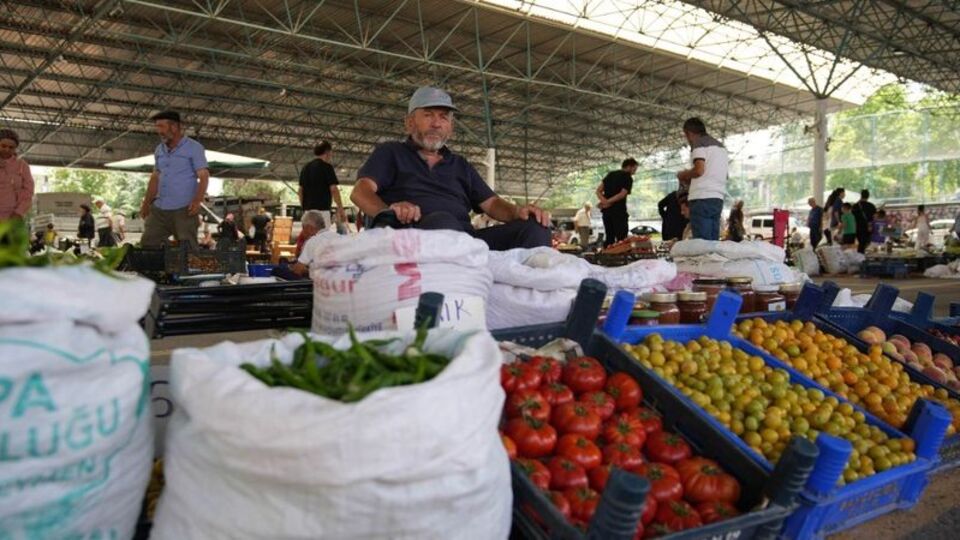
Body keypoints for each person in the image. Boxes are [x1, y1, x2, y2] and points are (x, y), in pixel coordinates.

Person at [350, 86, 550, 250]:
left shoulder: (460, 165)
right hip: (415, 237)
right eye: (428, 115)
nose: (436, 123)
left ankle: (538, 294)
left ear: (450, 128)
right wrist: (389, 212)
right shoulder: (391, 153)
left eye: (443, 117)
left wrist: (518, 212)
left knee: (535, 228)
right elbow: (360, 192)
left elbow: (493, 205)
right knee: (442, 222)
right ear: (409, 123)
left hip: (465, 240)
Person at [140, 111, 209, 248]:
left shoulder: (194, 148)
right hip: (159, 209)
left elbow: (204, 176)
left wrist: (197, 200)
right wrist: (146, 203)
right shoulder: (159, 150)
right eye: (157, 127)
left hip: (184, 209)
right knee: (148, 243)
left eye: (161, 126)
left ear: (174, 127)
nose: (159, 131)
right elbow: (155, 177)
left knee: (187, 248)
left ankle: (189, 268)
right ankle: (154, 269)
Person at [676, 118, 728, 241]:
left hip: (701, 197)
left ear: (689, 133)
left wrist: (683, 175)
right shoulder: (721, 148)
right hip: (717, 198)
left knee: (702, 244)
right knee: (712, 241)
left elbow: (699, 170)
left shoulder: (699, 143)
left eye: (686, 136)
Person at [299, 141, 346, 231]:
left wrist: (304, 208)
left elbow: (300, 190)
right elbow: (334, 189)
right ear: (327, 152)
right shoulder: (327, 167)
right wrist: (340, 208)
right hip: (322, 211)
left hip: (308, 212)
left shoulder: (305, 168)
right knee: (323, 239)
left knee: (309, 239)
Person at [597, 158, 637, 247]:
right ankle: (620, 258)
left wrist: (604, 202)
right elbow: (622, 194)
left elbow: (598, 191)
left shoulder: (610, 174)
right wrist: (608, 201)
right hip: (619, 212)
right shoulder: (627, 177)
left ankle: (607, 258)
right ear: (629, 167)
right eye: (634, 169)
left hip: (607, 212)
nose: (635, 172)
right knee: (622, 239)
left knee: (609, 237)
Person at [0, 129, 34, 221]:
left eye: (11, 147)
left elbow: (28, 192)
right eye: (3, 146)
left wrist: (19, 212)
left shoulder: (22, 166)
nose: (7, 149)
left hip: (12, 217)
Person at [289, 210, 333, 278]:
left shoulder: (312, 241)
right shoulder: (339, 237)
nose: (302, 231)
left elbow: (298, 270)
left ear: (309, 227)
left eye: (303, 227)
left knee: (279, 270)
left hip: (322, 283)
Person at [853, 189, 877, 254]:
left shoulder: (855, 206)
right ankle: (862, 256)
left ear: (861, 195)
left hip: (858, 228)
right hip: (868, 228)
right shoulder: (871, 206)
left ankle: (860, 256)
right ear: (868, 196)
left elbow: (853, 218)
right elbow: (875, 217)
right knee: (865, 244)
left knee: (861, 243)